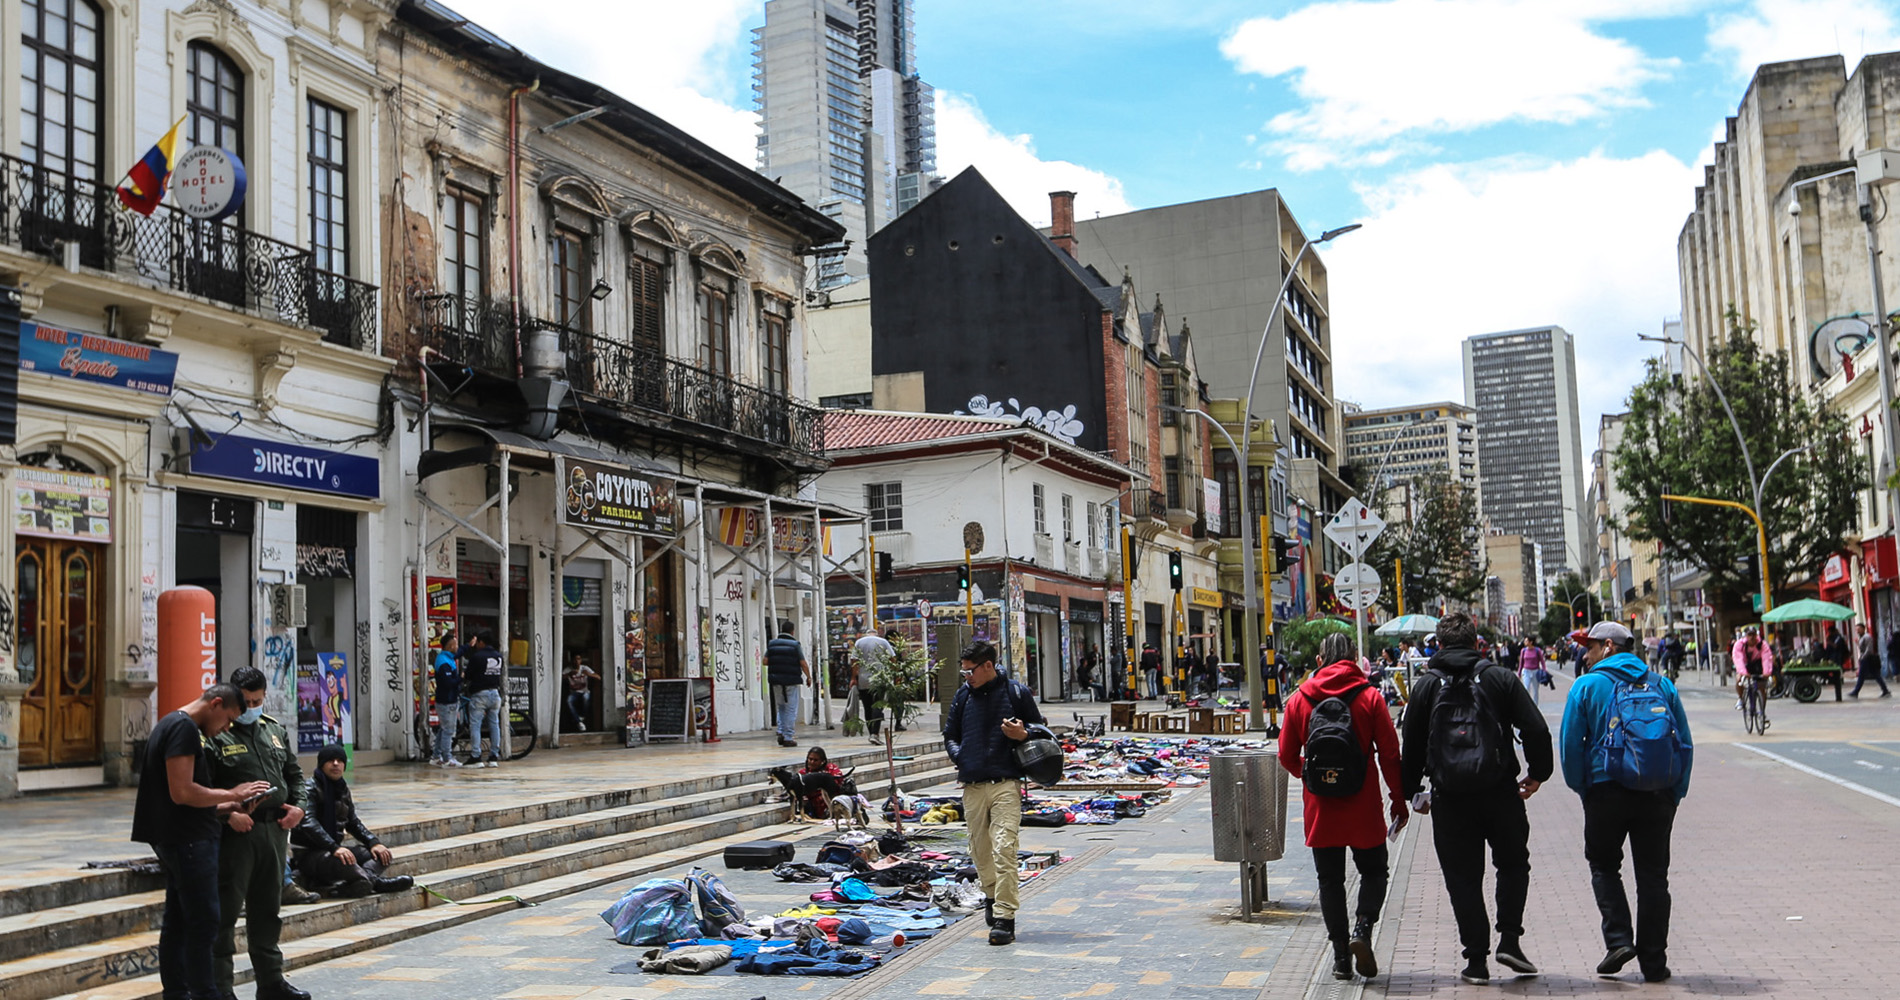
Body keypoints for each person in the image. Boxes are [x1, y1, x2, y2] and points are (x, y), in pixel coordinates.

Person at [1401, 612, 1554, 985]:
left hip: (1449, 798)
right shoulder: (1499, 678)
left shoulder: (1426, 686)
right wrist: (1537, 774)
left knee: (1462, 878)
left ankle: (1476, 960)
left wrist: (1412, 792)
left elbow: (1411, 745)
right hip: (1501, 791)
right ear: (1476, 642)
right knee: (1513, 864)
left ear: (1438, 645)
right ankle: (1510, 941)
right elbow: (1535, 727)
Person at [1559, 620, 1693, 983]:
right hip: (1657, 794)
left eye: (1589, 647)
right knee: (1653, 878)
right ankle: (1654, 963)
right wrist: (1675, 793)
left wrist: (1581, 787)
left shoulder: (1586, 686)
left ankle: (1618, 939)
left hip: (1605, 790)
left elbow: (1571, 746)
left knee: (1604, 865)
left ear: (1608, 647)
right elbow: (1684, 743)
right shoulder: (1662, 684)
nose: (1585, 655)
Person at [1279, 633, 1407, 981]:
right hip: (1363, 803)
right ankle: (1363, 929)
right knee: (1375, 871)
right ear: (1353, 658)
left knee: (1330, 880)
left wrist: (1308, 774)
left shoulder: (1299, 699)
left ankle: (1339, 958)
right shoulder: (1370, 697)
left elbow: (1286, 755)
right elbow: (1391, 755)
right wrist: (1398, 798)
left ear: (1320, 660)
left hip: (1321, 806)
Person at [132, 684, 269, 1000]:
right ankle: (204, 993)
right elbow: (182, 791)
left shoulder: (170, 723)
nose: (227, 728)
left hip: (181, 835)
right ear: (216, 703)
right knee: (204, 921)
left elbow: (178, 799)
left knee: (179, 920)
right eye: (228, 718)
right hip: (188, 842)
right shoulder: (184, 729)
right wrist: (233, 793)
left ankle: (178, 993)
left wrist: (227, 806)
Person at [205, 666, 310, 1000]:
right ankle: (221, 987)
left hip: (275, 831)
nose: (253, 708)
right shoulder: (217, 733)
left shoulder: (274, 730)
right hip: (237, 836)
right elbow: (201, 790)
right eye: (247, 702)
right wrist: (228, 816)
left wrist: (299, 807)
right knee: (225, 913)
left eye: (258, 701)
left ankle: (271, 982)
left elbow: (294, 775)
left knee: (267, 911)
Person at [942, 639, 1044, 947]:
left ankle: (1004, 918)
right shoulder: (963, 696)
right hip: (972, 785)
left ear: (988, 665)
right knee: (980, 852)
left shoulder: (1016, 693)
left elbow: (1041, 731)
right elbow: (950, 734)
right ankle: (990, 894)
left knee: (1004, 848)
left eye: (970, 671)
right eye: (963, 672)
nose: (967, 677)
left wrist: (1023, 734)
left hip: (1005, 784)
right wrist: (961, 756)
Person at [292, 744, 414, 897]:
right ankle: (372, 883)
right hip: (310, 854)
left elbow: (353, 823)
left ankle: (367, 881)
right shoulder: (309, 788)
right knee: (346, 862)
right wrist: (334, 848)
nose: (336, 764)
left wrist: (373, 842)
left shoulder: (342, 789)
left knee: (380, 855)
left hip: (333, 850)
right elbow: (308, 823)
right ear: (322, 764)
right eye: (330, 760)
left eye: (339, 760)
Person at [461, 630, 506, 767]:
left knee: (475, 725)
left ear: (481, 642)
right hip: (495, 693)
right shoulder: (499, 657)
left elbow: (468, 675)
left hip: (480, 694)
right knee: (494, 724)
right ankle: (493, 756)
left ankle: (476, 756)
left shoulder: (477, 657)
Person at [765, 628, 811, 748]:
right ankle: (788, 737)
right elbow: (803, 663)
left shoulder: (771, 644)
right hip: (791, 681)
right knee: (790, 709)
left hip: (776, 681)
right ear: (792, 632)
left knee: (781, 707)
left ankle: (781, 730)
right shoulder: (795, 645)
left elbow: (765, 661)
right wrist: (809, 677)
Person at [849, 629, 895, 742]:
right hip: (880, 679)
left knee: (867, 707)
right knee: (878, 706)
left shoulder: (859, 642)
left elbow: (854, 660)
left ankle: (871, 733)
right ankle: (875, 734)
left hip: (864, 680)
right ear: (876, 634)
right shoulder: (883, 642)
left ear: (867, 634)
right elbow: (892, 659)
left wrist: (853, 678)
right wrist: (894, 675)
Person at [431, 630, 462, 767]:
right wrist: (460, 678)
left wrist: (469, 645)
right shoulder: (444, 662)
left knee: (444, 729)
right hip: (447, 700)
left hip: (447, 699)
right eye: (455, 645)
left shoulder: (447, 658)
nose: (457, 647)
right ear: (450, 646)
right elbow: (448, 682)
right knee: (448, 730)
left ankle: (436, 756)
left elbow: (460, 653)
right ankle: (446, 758)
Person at [1851, 622, 1891, 697]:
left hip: (1867, 658)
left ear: (1863, 629)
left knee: (1862, 675)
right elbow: (1862, 648)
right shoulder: (1862, 637)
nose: (1857, 631)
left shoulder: (1867, 637)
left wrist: (1862, 657)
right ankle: (1885, 690)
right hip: (1865, 658)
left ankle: (1856, 691)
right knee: (1875, 675)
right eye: (1856, 629)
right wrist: (1858, 643)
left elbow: (1869, 649)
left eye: (1859, 629)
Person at [565, 653, 599, 731]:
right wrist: (568, 675)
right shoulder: (568, 669)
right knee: (569, 701)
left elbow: (598, 677)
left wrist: (589, 674)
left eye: (579, 659)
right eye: (575, 659)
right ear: (572, 661)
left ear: (581, 661)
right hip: (574, 692)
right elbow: (559, 677)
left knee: (586, 698)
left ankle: (582, 716)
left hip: (584, 691)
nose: (577, 661)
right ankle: (579, 721)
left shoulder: (584, 668)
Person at [1517, 636, 1550, 705]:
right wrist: (1519, 673)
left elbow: (1542, 661)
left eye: (1526, 641)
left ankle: (1535, 706)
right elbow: (1521, 662)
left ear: (1531, 642)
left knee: (1535, 690)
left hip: (1535, 671)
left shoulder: (1537, 650)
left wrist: (1544, 670)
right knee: (1526, 688)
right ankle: (1527, 705)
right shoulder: (1523, 650)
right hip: (1526, 671)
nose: (1525, 642)